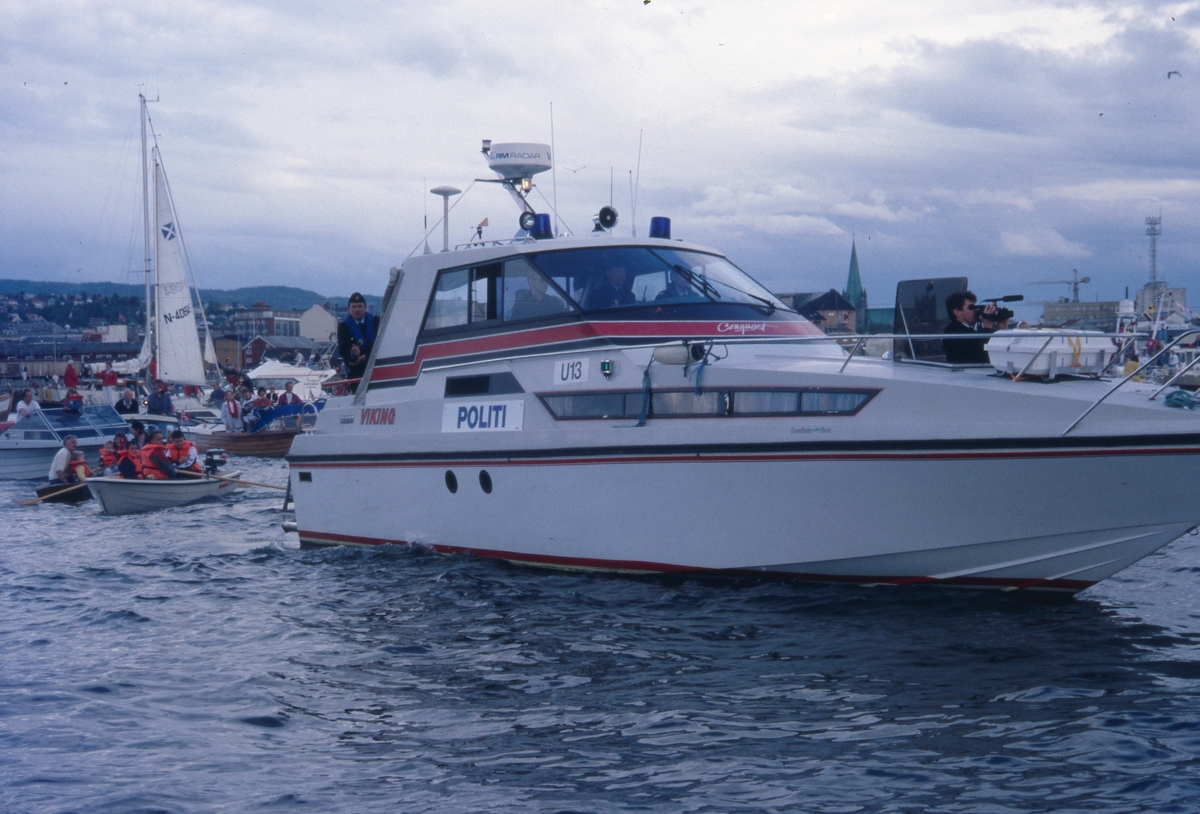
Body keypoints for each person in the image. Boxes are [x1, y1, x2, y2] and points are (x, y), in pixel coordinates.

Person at [942, 290, 1008, 364]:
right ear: (957, 312)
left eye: (975, 307)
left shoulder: (969, 329)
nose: (975, 310)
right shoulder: (953, 330)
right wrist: (987, 325)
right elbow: (982, 351)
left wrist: (1002, 330)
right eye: (971, 307)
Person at [337, 292, 380, 380]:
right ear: (349, 309)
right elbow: (343, 350)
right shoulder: (343, 327)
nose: (357, 309)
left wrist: (364, 357)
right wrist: (353, 355)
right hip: (357, 373)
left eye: (360, 306)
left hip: (378, 369)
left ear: (365, 308)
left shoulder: (376, 322)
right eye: (354, 307)